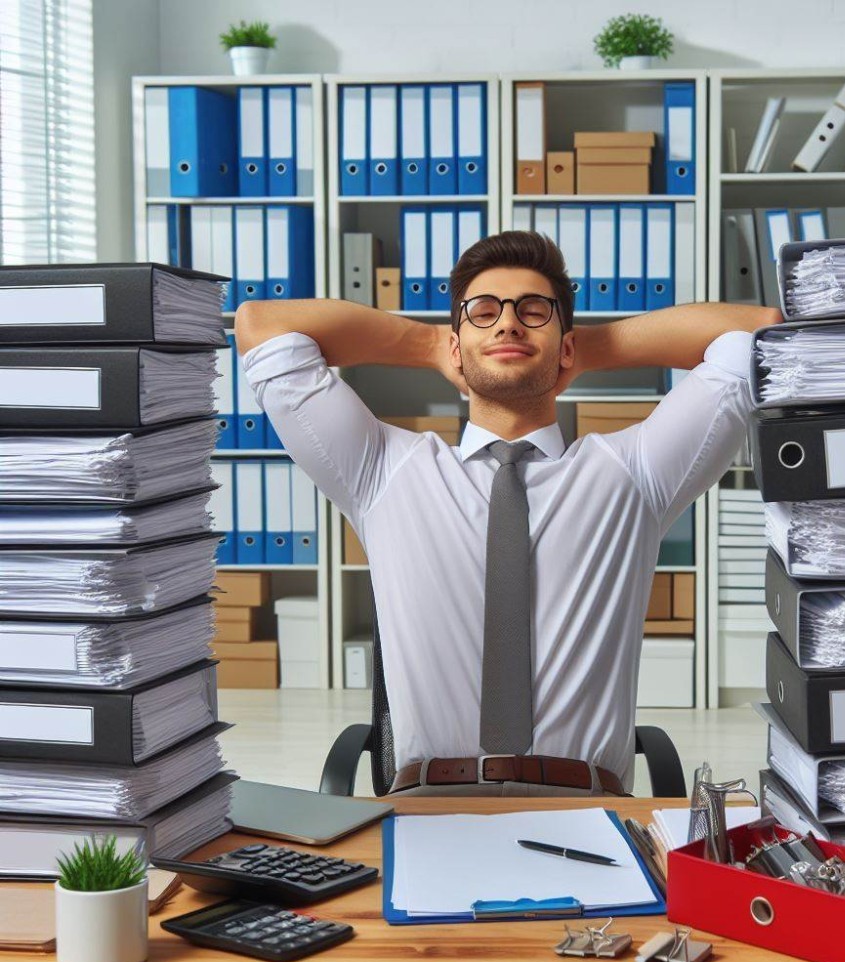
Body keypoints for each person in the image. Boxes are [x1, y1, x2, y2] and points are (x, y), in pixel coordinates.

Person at [235, 231, 781, 796]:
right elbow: (261, 325)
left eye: (533, 311)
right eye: (485, 312)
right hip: (426, 810)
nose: (508, 324)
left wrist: (579, 347)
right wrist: (430, 345)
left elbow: (759, 330)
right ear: (455, 346)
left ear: (566, 346)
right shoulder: (384, 471)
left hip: (587, 808)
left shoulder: (633, 473)